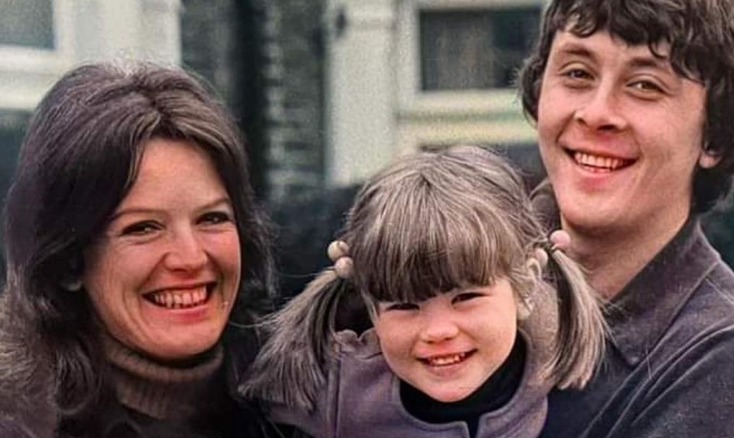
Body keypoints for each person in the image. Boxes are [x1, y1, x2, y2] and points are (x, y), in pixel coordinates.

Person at [516, 0, 734, 436]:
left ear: (714, 135)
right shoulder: (455, 253)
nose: (597, 113)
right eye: (577, 73)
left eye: (644, 85)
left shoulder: (728, 356)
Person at [241, 146, 606, 437]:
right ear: (371, 306)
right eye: (405, 305)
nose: (438, 330)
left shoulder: (559, 368)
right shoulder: (336, 391)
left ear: (525, 285)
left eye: (465, 297)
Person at [0, 62, 283, 437]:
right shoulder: (19, 422)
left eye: (212, 219)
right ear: (69, 262)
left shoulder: (304, 404)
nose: (191, 257)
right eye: (143, 227)